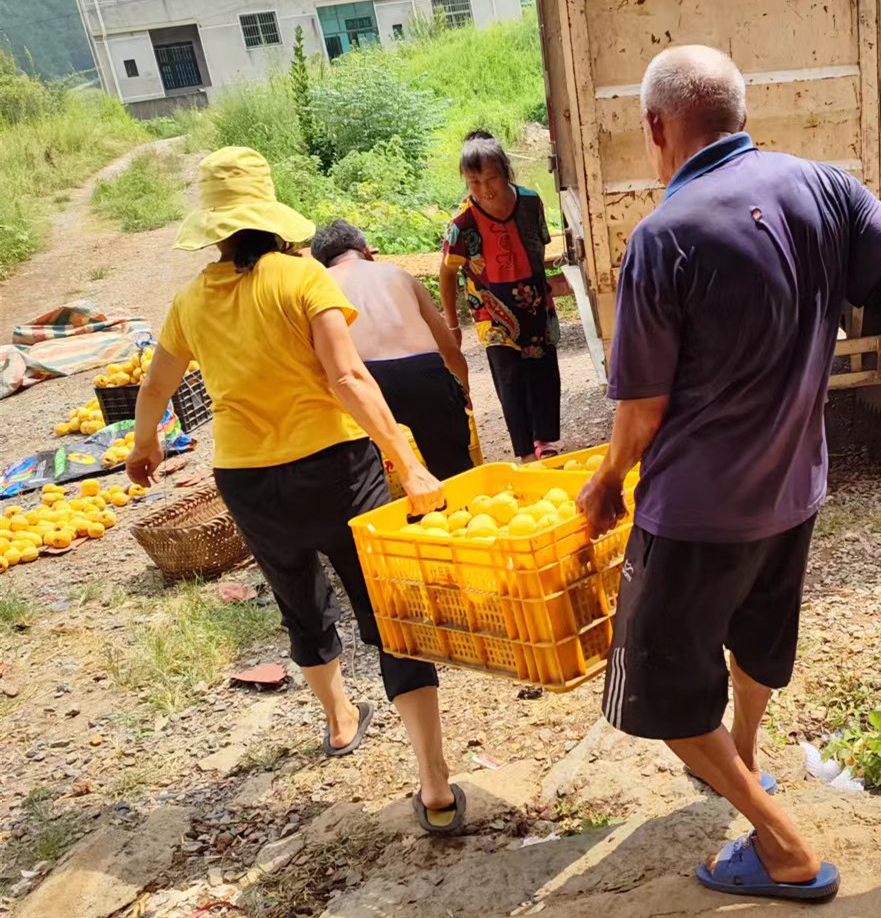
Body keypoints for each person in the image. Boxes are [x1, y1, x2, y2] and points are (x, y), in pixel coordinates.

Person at [577, 46, 881, 902]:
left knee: (660, 694)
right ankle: (749, 764)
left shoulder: (663, 237)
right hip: (793, 491)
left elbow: (641, 412)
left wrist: (609, 477)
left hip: (693, 512)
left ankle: (782, 843)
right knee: (757, 641)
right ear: (738, 111)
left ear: (656, 127)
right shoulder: (824, 187)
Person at [127, 147, 467, 835]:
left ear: (217, 229)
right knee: (388, 612)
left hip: (249, 480)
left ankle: (342, 722)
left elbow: (157, 386)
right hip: (337, 466)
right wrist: (406, 459)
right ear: (271, 213)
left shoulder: (192, 300)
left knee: (299, 602)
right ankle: (434, 783)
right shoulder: (302, 278)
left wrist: (144, 444)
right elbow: (348, 379)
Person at [310, 219, 473, 481]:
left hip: (365, 382)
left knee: (381, 480)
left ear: (321, 263)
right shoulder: (397, 274)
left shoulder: (317, 286)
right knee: (456, 473)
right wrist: (461, 391)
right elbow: (449, 349)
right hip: (426, 374)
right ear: (365, 251)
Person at [439, 131, 564, 462]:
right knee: (508, 375)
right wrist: (451, 323)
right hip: (490, 309)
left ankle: (545, 440)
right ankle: (524, 450)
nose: (483, 189)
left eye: (490, 178)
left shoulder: (530, 202)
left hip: (534, 301)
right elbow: (447, 272)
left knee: (542, 368)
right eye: (473, 182)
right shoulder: (461, 222)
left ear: (505, 171)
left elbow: (539, 245)